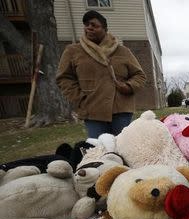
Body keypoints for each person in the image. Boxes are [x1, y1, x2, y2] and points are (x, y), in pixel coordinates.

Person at [56, 10, 146, 138]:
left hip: (121, 109)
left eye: (94, 25)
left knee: (125, 148)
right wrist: (80, 98)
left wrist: (128, 86)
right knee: (98, 150)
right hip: (92, 109)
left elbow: (139, 75)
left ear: (105, 29)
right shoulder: (73, 51)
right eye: (87, 25)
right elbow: (64, 78)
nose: (89, 28)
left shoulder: (122, 51)